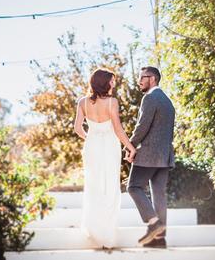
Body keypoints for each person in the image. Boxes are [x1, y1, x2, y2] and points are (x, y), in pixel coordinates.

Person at [74, 68, 136, 248]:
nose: (114, 84)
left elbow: (78, 129)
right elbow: (118, 129)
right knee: (110, 187)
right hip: (110, 147)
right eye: (112, 81)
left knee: (93, 185)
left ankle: (94, 232)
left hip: (91, 147)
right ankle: (106, 235)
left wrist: (92, 138)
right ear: (105, 82)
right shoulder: (112, 102)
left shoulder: (83, 102)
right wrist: (130, 147)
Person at [126, 66, 175, 249]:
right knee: (159, 195)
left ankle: (153, 223)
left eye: (142, 78)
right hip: (165, 156)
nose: (139, 81)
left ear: (152, 79)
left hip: (149, 153)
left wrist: (129, 146)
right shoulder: (167, 101)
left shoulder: (150, 98)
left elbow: (142, 126)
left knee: (134, 187)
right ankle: (159, 240)